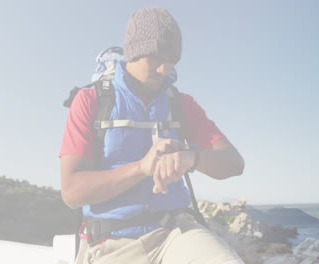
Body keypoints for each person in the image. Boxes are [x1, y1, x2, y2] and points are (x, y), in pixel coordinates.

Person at [60, 7, 245, 264]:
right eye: (156, 58)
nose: (164, 69)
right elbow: (72, 192)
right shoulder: (90, 101)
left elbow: (234, 162)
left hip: (176, 232)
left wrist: (190, 157)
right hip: (113, 242)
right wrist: (140, 168)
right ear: (134, 52)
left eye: (172, 61)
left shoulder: (181, 103)